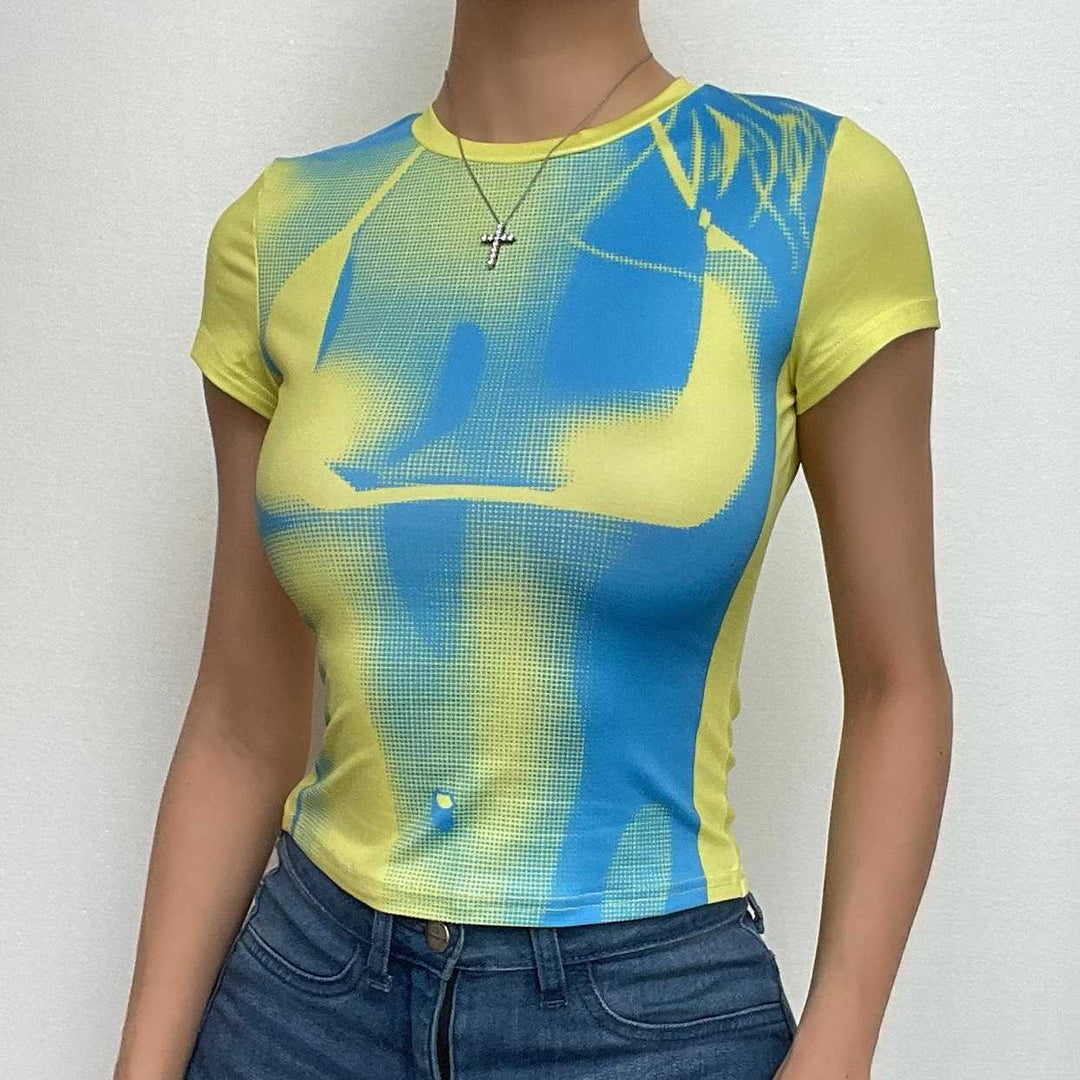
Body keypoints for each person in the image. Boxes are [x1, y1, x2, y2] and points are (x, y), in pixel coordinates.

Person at [114, 2, 953, 1078]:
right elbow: (239, 721)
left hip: (646, 1016)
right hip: (302, 999)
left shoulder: (801, 191)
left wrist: (838, 1048)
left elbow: (898, 685)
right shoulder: (284, 228)